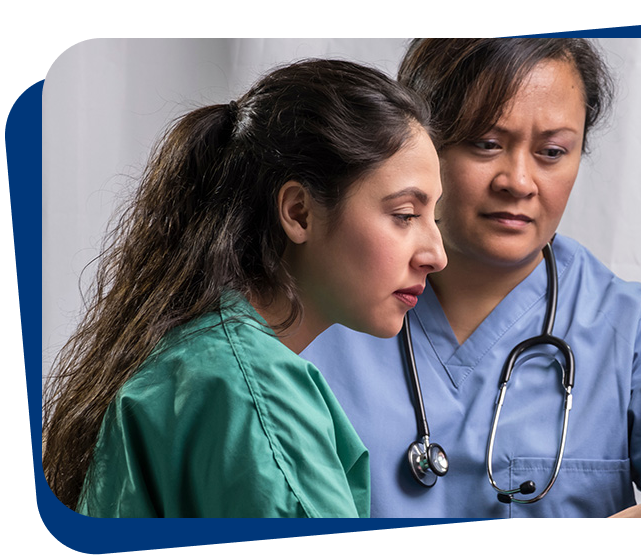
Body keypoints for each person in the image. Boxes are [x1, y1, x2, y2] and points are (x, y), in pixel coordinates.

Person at [300, 39, 641, 518]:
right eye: (486, 144)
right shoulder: (319, 310)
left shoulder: (633, 330)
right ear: (421, 142)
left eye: (552, 151)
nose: (518, 181)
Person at [42, 58, 447, 518]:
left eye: (436, 218)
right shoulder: (252, 395)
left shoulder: (198, 360)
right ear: (298, 213)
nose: (436, 254)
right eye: (405, 216)